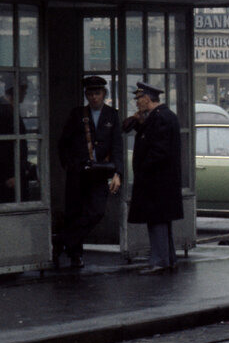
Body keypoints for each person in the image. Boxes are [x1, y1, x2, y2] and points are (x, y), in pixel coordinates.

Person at [54, 76, 124, 269]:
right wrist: (70, 164)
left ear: (104, 94)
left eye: (97, 93)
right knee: (75, 212)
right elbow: (63, 143)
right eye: (90, 94)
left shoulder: (112, 115)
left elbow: (117, 146)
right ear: (86, 95)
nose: (94, 97)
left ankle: (62, 240)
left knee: (97, 212)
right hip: (78, 173)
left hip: (99, 173)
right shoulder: (77, 114)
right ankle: (76, 255)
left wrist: (117, 173)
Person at [126, 81, 183, 275]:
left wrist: (144, 169)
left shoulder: (159, 119)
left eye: (139, 99)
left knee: (157, 221)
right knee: (162, 221)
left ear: (147, 99)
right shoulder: (164, 116)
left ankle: (159, 261)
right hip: (162, 181)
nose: (137, 103)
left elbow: (159, 150)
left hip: (156, 181)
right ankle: (168, 259)